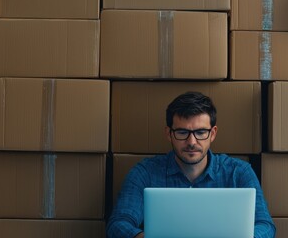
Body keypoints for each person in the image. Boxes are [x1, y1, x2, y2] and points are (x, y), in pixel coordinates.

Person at [107, 91, 276, 238]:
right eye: (182, 132)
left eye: (201, 132)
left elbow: (265, 225)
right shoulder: (145, 173)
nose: (192, 142)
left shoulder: (239, 172)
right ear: (169, 134)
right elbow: (118, 224)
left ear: (213, 133)